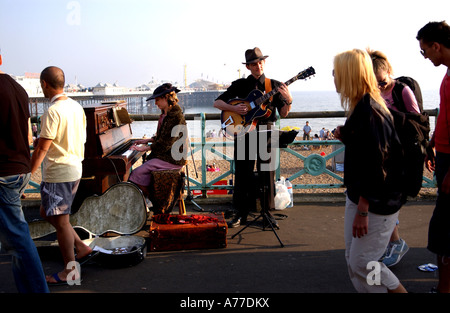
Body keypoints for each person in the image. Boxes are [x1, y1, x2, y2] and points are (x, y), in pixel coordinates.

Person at [333, 49, 407, 293]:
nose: (334, 76)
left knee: (363, 262)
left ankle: (398, 291)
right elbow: (369, 154)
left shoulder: (370, 111)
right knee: (354, 261)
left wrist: (364, 208)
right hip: (361, 195)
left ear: (350, 75)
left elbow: (379, 165)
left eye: (338, 72)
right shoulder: (362, 106)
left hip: (375, 201)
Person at [214, 47, 293, 228]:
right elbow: (217, 102)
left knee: (267, 175)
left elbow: (284, 113)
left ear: (264, 62)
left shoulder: (274, 85)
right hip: (244, 132)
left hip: (267, 132)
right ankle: (241, 213)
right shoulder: (240, 84)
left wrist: (288, 99)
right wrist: (234, 109)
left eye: (260, 62)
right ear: (248, 66)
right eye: (254, 64)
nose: (258, 66)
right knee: (243, 174)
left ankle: (266, 213)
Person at [31, 66, 92, 285]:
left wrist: (29, 171)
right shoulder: (77, 107)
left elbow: (42, 149)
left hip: (58, 172)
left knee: (62, 222)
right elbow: (78, 139)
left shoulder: (52, 111)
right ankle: (81, 246)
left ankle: (70, 271)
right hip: (75, 168)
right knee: (46, 212)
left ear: (44, 84)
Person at [0, 50, 49, 293]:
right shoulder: (18, 89)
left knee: (18, 239)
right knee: (15, 237)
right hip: (20, 169)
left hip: (4, 172)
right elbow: (30, 135)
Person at [367, 48, 417, 267]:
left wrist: (389, 117)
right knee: (383, 200)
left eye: (382, 81)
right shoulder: (372, 92)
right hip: (382, 155)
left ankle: (395, 243)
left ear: (388, 72)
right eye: (374, 82)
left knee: (388, 201)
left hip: (401, 155)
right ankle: (392, 242)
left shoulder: (403, 91)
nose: (379, 86)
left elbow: (418, 123)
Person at [417, 20, 450, 293]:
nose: (426, 57)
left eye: (425, 51)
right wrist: (432, 143)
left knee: (443, 231)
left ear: (436, 46)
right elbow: (446, 115)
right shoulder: (447, 74)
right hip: (445, 155)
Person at [128, 83, 188, 198]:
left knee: (135, 174)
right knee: (144, 170)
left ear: (166, 98)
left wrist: (145, 148)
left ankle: (154, 201)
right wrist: (147, 140)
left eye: (157, 100)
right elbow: (163, 135)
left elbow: (166, 143)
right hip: (168, 155)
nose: (155, 103)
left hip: (173, 159)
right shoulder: (166, 114)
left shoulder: (175, 116)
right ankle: (149, 200)